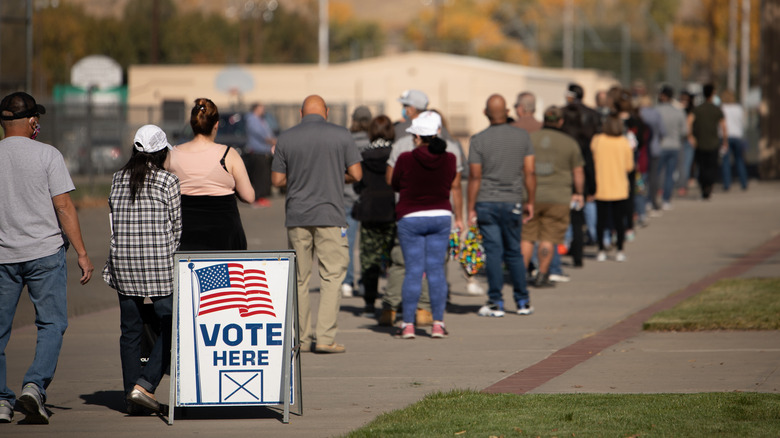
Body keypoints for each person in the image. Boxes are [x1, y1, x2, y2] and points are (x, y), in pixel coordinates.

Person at [0, 92, 94, 424]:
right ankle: (34, 385)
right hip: (45, 253)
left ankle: (1, 399)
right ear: (30, 121)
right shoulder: (48, 155)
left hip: (3, 257)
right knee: (52, 324)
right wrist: (82, 252)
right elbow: (64, 206)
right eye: (35, 117)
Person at [271, 95, 362, 354]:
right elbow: (357, 174)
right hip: (331, 215)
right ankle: (325, 337)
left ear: (301, 113)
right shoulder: (342, 135)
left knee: (300, 278)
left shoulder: (286, 138)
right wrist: (333, 175)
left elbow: (277, 180)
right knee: (332, 276)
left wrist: (299, 178)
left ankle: (301, 337)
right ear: (328, 112)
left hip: (297, 216)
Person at [102, 125, 181, 415]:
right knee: (173, 326)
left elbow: (114, 224)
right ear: (161, 152)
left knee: (130, 330)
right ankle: (145, 384)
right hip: (158, 265)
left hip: (123, 262)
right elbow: (176, 229)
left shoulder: (117, 179)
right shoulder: (167, 181)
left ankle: (130, 395)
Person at [382, 90, 465, 327]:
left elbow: (391, 180)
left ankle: (391, 308)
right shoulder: (452, 150)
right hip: (440, 214)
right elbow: (456, 186)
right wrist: (459, 217)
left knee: (404, 264)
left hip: (407, 213)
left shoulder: (401, 147)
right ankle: (427, 312)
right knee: (436, 267)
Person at [468, 94, 536, 317]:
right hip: (513, 200)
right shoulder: (522, 136)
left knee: (494, 253)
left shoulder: (478, 139)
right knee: (514, 252)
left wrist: (470, 207)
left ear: (485, 113)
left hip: (487, 201)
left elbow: (475, 177)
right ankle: (522, 301)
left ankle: (496, 301)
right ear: (507, 112)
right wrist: (531, 201)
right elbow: (529, 172)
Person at [167, 98, 254, 250]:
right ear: (216, 125)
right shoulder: (228, 154)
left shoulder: (173, 154)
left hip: (185, 233)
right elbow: (249, 196)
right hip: (224, 235)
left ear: (192, 124)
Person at [521, 106, 584, 287]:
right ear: (561, 121)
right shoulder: (569, 143)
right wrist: (579, 192)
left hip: (530, 195)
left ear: (544, 120)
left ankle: (521, 275)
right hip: (558, 197)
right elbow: (578, 171)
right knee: (548, 238)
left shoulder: (530, 139)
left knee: (527, 237)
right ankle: (542, 274)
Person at [352, 115, 396, 316]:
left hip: (369, 211)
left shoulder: (362, 155)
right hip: (392, 210)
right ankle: (393, 302)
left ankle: (370, 302)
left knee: (370, 258)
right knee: (394, 258)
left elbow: (357, 182)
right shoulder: (397, 153)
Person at [561, 83, 600, 265]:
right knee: (579, 213)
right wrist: (592, 184)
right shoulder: (591, 118)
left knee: (567, 214)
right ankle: (581, 250)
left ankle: (566, 245)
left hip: (564, 172)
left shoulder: (564, 118)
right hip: (583, 171)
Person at [591, 116, 635, 262]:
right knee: (619, 221)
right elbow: (629, 167)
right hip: (619, 187)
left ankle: (601, 250)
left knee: (601, 221)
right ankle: (620, 250)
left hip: (601, 185)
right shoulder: (624, 142)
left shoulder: (598, 140)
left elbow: (592, 160)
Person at [341, 106, 372, 299]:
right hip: (368, 199)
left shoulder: (345, 141)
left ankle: (347, 282)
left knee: (347, 243)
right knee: (367, 245)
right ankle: (365, 282)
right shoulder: (372, 142)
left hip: (346, 197)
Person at [688, 84, 727, 200]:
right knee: (712, 166)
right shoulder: (716, 109)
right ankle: (709, 186)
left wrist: (690, 136)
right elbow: (724, 126)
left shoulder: (697, 109)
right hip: (713, 142)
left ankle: (704, 187)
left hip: (700, 142)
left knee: (702, 166)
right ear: (713, 94)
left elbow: (689, 121)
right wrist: (725, 140)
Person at [656, 85, 688, 210]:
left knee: (657, 173)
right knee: (670, 174)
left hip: (660, 145)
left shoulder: (656, 110)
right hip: (675, 145)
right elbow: (684, 131)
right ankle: (666, 200)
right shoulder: (679, 111)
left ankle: (652, 198)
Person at [244, 102, 276, 208]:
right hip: (257, 151)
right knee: (258, 176)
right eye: (261, 108)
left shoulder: (261, 119)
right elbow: (260, 134)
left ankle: (261, 197)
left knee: (264, 176)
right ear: (256, 109)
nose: (263, 110)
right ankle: (256, 198)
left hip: (264, 151)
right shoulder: (252, 119)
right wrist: (272, 141)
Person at [719, 90, 749, 191]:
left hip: (725, 136)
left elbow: (720, 124)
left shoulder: (722, 108)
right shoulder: (738, 108)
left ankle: (727, 184)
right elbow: (744, 122)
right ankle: (744, 183)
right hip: (737, 136)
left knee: (726, 161)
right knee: (739, 160)